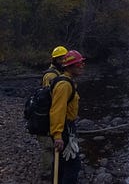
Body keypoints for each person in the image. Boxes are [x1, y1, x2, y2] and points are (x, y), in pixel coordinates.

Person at [50, 50, 85, 184]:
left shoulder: (68, 81)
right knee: (72, 165)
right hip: (64, 129)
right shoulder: (64, 85)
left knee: (62, 165)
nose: (82, 66)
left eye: (82, 63)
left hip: (67, 127)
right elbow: (57, 110)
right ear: (69, 67)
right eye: (78, 64)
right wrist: (57, 135)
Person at [38, 45, 68, 181]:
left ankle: (54, 169)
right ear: (55, 59)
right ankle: (46, 173)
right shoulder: (51, 75)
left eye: (65, 59)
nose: (64, 61)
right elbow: (48, 98)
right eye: (62, 59)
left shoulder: (58, 73)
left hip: (51, 114)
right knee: (48, 147)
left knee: (51, 146)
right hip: (45, 116)